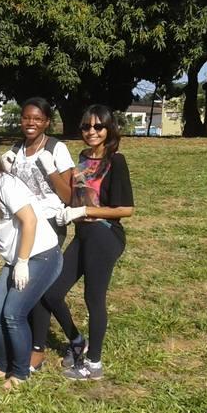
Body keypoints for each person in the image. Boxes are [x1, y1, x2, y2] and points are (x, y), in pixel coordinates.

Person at [42, 104, 134, 381]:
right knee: (52, 292)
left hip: (104, 236)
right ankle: (77, 339)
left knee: (93, 298)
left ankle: (93, 364)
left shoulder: (116, 161)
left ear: (109, 129)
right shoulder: (81, 159)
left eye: (98, 126)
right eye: (86, 126)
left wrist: (86, 212)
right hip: (82, 234)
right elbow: (74, 197)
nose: (91, 131)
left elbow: (125, 210)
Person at [0, 136, 62, 389]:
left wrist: (22, 262)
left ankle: (20, 373)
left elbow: (29, 221)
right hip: (17, 258)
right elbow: (0, 226)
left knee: (13, 314)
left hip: (41, 255)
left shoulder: (6, 183)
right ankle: (2, 365)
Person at [0, 97, 73, 372]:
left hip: (51, 224)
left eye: (37, 119)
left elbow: (69, 195)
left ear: (46, 122)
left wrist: (50, 170)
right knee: (27, 285)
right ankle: (31, 339)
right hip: (26, 224)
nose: (31, 123)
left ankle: (38, 349)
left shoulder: (57, 148)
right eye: (26, 118)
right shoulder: (17, 149)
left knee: (39, 288)